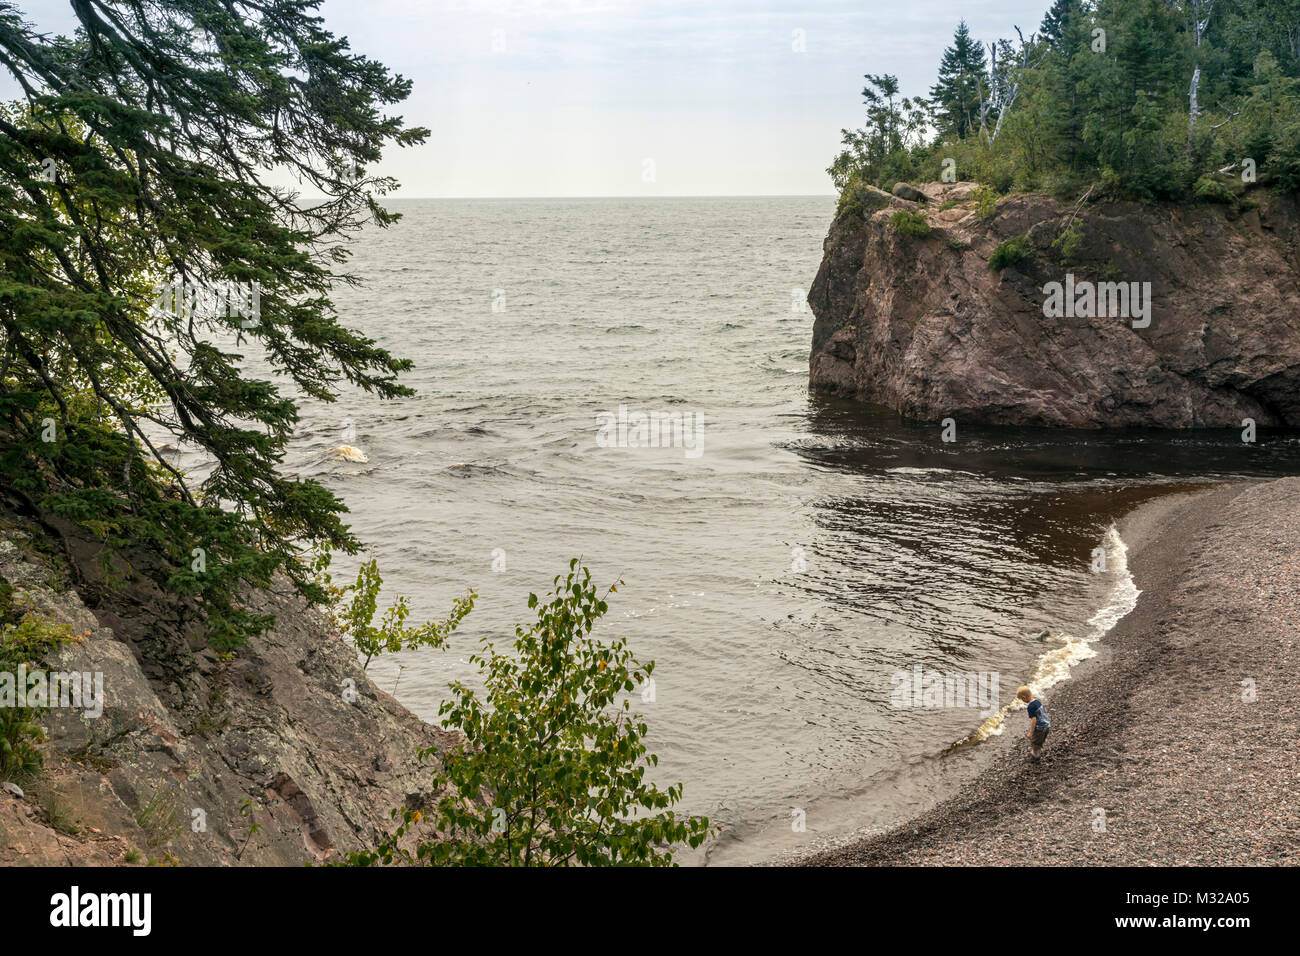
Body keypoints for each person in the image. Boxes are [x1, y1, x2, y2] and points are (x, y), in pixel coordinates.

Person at [1017, 685, 1050, 763]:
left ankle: (1036, 758)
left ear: (1024, 697)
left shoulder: (1030, 707)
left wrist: (1031, 732)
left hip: (1040, 728)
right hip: (1046, 725)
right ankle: (1035, 753)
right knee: (1039, 741)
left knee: (1035, 742)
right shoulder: (1037, 701)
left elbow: (1034, 720)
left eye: (1022, 699)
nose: (1022, 701)